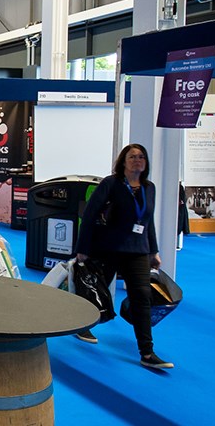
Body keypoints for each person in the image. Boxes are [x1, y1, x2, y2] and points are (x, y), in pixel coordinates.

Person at [72, 143, 173, 370]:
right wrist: (83, 248)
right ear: (123, 161)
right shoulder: (111, 184)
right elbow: (89, 215)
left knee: (142, 297)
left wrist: (153, 250)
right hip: (108, 248)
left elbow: (147, 223)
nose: (137, 160)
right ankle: (81, 324)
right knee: (96, 291)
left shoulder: (149, 188)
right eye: (132, 157)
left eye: (141, 157)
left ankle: (147, 352)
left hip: (137, 251)